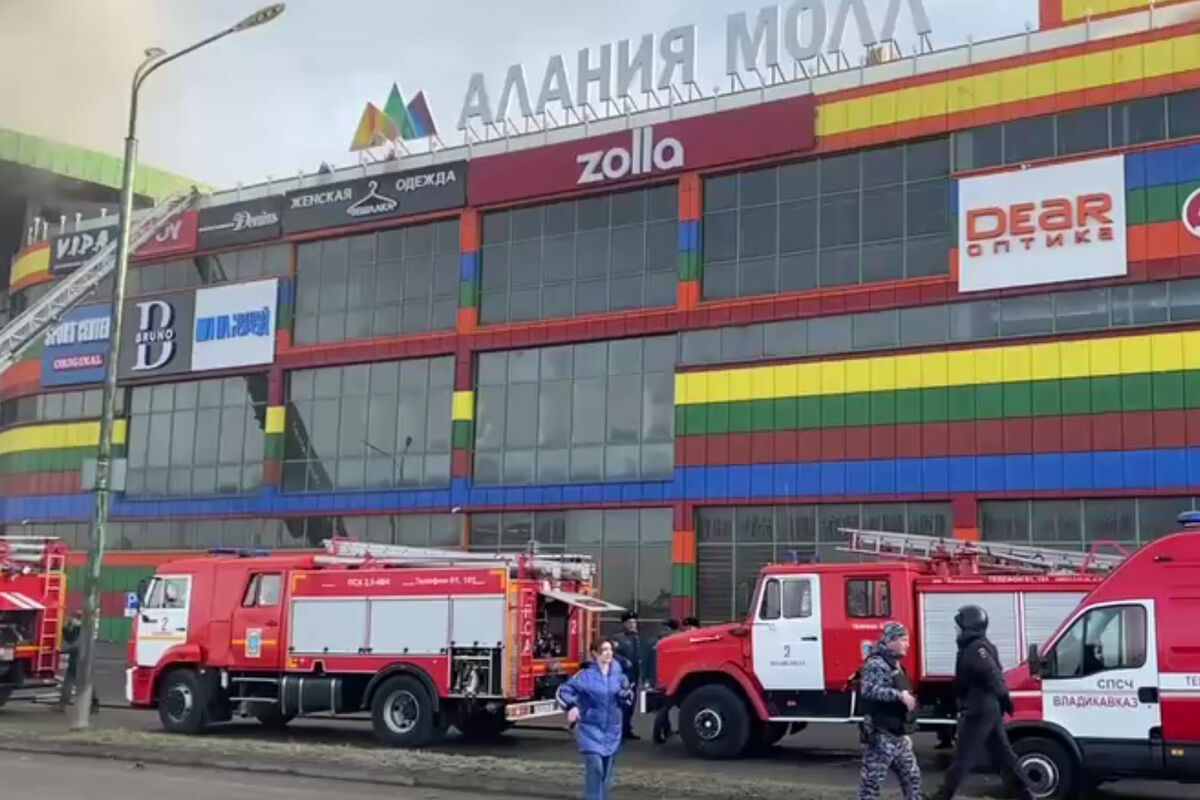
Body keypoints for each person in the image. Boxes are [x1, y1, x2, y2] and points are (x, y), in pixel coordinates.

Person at [926, 606, 1033, 800]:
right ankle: (1024, 793)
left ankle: (943, 795)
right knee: (1003, 754)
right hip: (987, 706)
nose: (956, 630)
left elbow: (991, 673)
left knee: (964, 754)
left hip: (980, 707)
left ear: (969, 625)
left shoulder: (976, 648)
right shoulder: (977, 646)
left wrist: (1004, 697)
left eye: (958, 626)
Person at [557, 639, 633, 800]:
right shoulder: (585, 675)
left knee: (606, 773)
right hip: (590, 728)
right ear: (595, 653)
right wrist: (571, 706)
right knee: (596, 767)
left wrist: (625, 696)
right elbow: (564, 690)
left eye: (610, 649)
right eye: (604, 650)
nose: (608, 653)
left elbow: (627, 699)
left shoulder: (619, 676)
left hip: (612, 730)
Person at [856, 621, 922, 800]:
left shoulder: (895, 664)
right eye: (903, 640)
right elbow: (868, 690)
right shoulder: (876, 664)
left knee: (913, 779)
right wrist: (899, 696)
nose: (908, 645)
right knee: (871, 785)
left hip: (898, 733)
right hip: (881, 734)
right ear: (891, 641)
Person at [651, 617, 700, 744]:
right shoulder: (683, 640)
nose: (688, 630)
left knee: (665, 707)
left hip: (673, 679)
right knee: (671, 707)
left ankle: (663, 733)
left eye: (690, 627)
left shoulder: (670, 640)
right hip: (680, 681)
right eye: (687, 627)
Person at [55, 611, 98, 712]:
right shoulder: (80, 629)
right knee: (71, 682)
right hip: (77, 661)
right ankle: (63, 704)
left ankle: (93, 704)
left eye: (74, 618)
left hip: (81, 661)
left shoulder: (84, 631)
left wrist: (63, 650)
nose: (72, 620)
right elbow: (68, 637)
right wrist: (68, 627)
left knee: (81, 683)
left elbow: (76, 646)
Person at [612, 611, 642, 740]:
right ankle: (618, 730)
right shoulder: (618, 638)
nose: (633, 625)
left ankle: (627, 729)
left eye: (634, 622)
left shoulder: (636, 638)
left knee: (631, 703)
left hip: (634, 675)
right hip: (623, 675)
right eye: (630, 622)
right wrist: (623, 661)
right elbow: (612, 653)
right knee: (622, 703)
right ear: (624, 624)